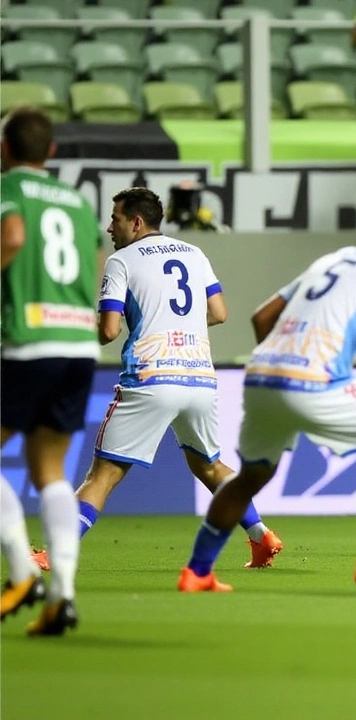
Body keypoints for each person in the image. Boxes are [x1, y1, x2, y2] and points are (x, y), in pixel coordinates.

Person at [177, 194, 356, 593]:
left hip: (261, 375)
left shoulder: (333, 259)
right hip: (317, 380)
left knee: (248, 478)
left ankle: (197, 571)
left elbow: (262, 317)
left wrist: (281, 375)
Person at [46, 187, 284, 572]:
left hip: (151, 378)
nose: (110, 227)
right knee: (210, 466)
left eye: (116, 219)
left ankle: (54, 553)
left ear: (136, 223)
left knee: (103, 475)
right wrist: (177, 325)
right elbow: (219, 312)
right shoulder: (194, 253)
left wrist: (70, 332)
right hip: (199, 378)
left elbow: (108, 331)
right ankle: (261, 536)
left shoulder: (121, 261)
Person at [0, 107, 97, 635]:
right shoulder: (81, 204)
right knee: (49, 470)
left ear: (5, 148)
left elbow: (12, 237)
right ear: (52, 151)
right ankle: (61, 592)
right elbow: (95, 265)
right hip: (77, 343)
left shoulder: (7, 188)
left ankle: (20, 573)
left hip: (29, 341)